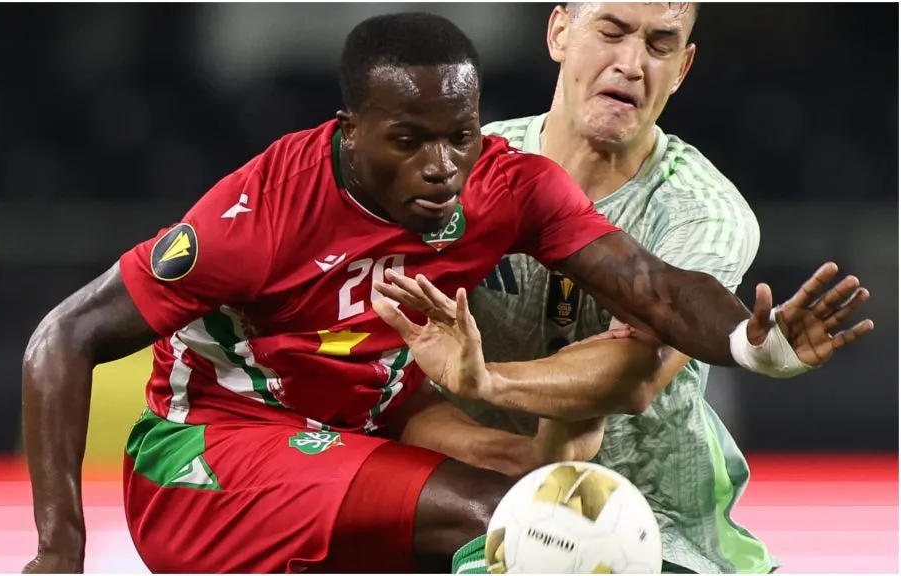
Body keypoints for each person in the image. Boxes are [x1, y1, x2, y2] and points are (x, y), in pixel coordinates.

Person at [21, 11, 872, 576]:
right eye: (409, 141)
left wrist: (755, 344)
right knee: (525, 526)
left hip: (360, 425)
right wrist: (59, 550)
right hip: (216, 446)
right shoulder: (261, 214)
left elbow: (651, 292)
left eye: (458, 139)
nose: (440, 168)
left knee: (559, 492)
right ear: (349, 134)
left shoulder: (506, 182)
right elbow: (61, 338)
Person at [371, 3, 874, 574]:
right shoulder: (458, 170)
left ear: (682, 68)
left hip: (654, 526)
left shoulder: (701, 213)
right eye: (611, 32)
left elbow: (632, 376)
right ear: (559, 32)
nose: (632, 64)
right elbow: (391, 374)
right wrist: (504, 452)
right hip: (478, 507)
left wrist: (483, 378)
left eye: (660, 45)